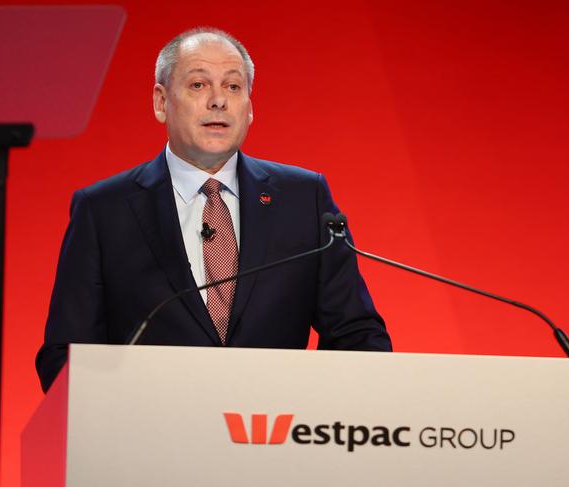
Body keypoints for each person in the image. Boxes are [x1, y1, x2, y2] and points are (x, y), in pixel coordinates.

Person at [36, 27, 391, 392]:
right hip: (150, 438)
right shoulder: (103, 211)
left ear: (249, 108)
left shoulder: (304, 199)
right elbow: (65, 354)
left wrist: (322, 414)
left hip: (274, 434)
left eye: (233, 87)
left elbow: (357, 334)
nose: (219, 101)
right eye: (198, 85)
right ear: (161, 102)